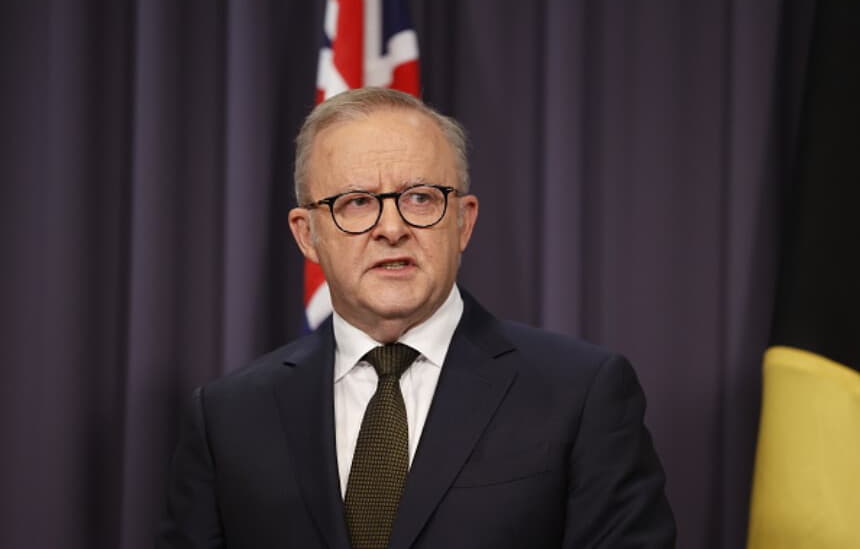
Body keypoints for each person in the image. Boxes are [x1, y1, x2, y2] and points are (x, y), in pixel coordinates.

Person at [158, 87, 676, 548]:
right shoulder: (227, 418)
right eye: (357, 202)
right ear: (306, 234)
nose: (392, 228)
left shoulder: (580, 394)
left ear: (463, 222)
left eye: (420, 198)